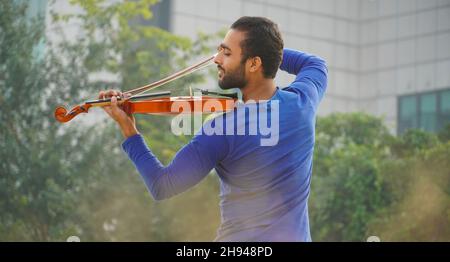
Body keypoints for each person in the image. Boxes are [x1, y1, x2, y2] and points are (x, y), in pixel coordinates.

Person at [99, 16, 327, 241]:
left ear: (254, 63)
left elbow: (162, 185)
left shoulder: (223, 129)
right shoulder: (303, 103)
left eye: (226, 53)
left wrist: (128, 129)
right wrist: (269, 53)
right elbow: (315, 64)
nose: (216, 59)